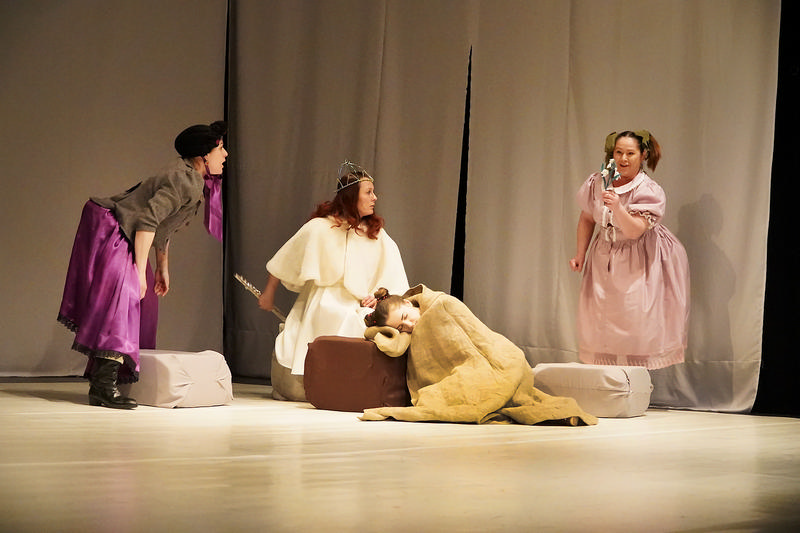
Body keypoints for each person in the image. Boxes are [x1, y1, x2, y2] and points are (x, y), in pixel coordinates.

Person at [57, 121, 228, 409]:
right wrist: (139, 272)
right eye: (220, 148)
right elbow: (147, 222)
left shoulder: (191, 178)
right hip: (115, 230)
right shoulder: (183, 179)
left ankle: (107, 380)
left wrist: (162, 267)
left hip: (127, 231)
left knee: (144, 307)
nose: (225, 154)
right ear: (203, 155)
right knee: (122, 304)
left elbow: (162, 226)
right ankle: (102, 387)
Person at [258, 161, 409, 400]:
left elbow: (392, 277)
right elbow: (284, 260)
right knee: (333, 314)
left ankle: (350, 386)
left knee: (363, 322)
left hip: (360, 305)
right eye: (369, 192)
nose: (375, 198)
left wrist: (380, 297)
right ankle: (319, 382)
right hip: (321, 300)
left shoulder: (376, 234)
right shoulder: (319, 228)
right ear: (352, 196)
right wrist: (269, 293)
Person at [360, 286, 598, 426]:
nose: (409, 326)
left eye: (405, 318)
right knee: (447, 396)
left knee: (485, 389)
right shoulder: (411, 331)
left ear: (408, 303)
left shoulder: (441, 304)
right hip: (462, 369)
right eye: (400, 328)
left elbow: (474, 340)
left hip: (498, 358)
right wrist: (388, 329)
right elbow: (395, 346)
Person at [568, 130, 689, 369]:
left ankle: (634, 380)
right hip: (605, 255)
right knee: (602, 318)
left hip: (640, 257)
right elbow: (587, 218)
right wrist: (580, 253)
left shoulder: (648, 190)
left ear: (643, 155)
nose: (623, 158)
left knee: (635, 319)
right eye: (619, 152)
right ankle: (611, 380)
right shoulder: (598, 182)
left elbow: (635, 231)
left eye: (630, 153)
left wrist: (618, 207)